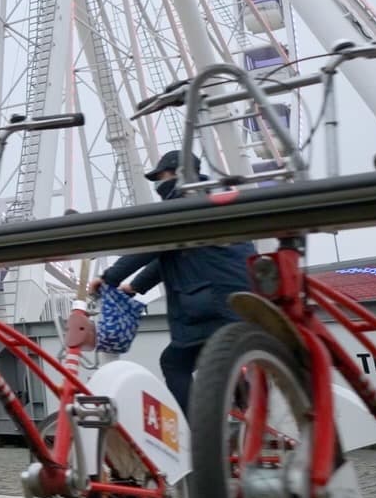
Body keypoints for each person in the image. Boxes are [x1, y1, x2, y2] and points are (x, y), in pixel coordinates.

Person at [88, 149, 255, 409]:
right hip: (240, 301)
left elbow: (152, 246)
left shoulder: (181, 203)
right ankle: (242, 399)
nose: (158, 183)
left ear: (178, 173)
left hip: (210, 304)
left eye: (161, 176)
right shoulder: (213, 199)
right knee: (218, 357)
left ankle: (193, 427)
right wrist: (134, 287)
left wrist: (108, 278)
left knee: (174, 363)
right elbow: (170, 253)